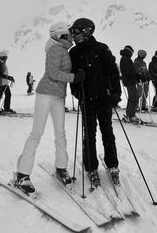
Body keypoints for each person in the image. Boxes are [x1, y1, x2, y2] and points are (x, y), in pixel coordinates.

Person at [14, 21, 85, 194]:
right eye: (68, 34)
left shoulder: (63, 50)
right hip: (45, 94)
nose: (71, 37)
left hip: (58, 96)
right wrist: (74, 77)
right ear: (60, 35)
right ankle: (22, 174)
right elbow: (54, 73)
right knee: (37, 133)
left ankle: (61, 167)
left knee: (60, 133)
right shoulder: (55, 48)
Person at [69, 18, 122, 186]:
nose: (73, 35)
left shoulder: (102, 48)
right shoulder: (74, 53)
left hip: (104, 98)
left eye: (76, 32)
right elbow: (73, 78)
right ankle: (91, 167)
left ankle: (112, 165)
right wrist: (77, 91)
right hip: (87, 99)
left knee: (107, 131)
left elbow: (113, 72)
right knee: (88, 134)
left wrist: (116, 93)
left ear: (87, 31)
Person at [120, 45, 140, 123]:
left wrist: (136, 75)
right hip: (129, 81)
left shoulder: (126, 58)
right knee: (134, 98)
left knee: (132, 97)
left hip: (129, 80)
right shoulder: (125, 59)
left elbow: (130, 70)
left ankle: (129, 114)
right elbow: (129, 71)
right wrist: (136, 75)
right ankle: (131, 115)